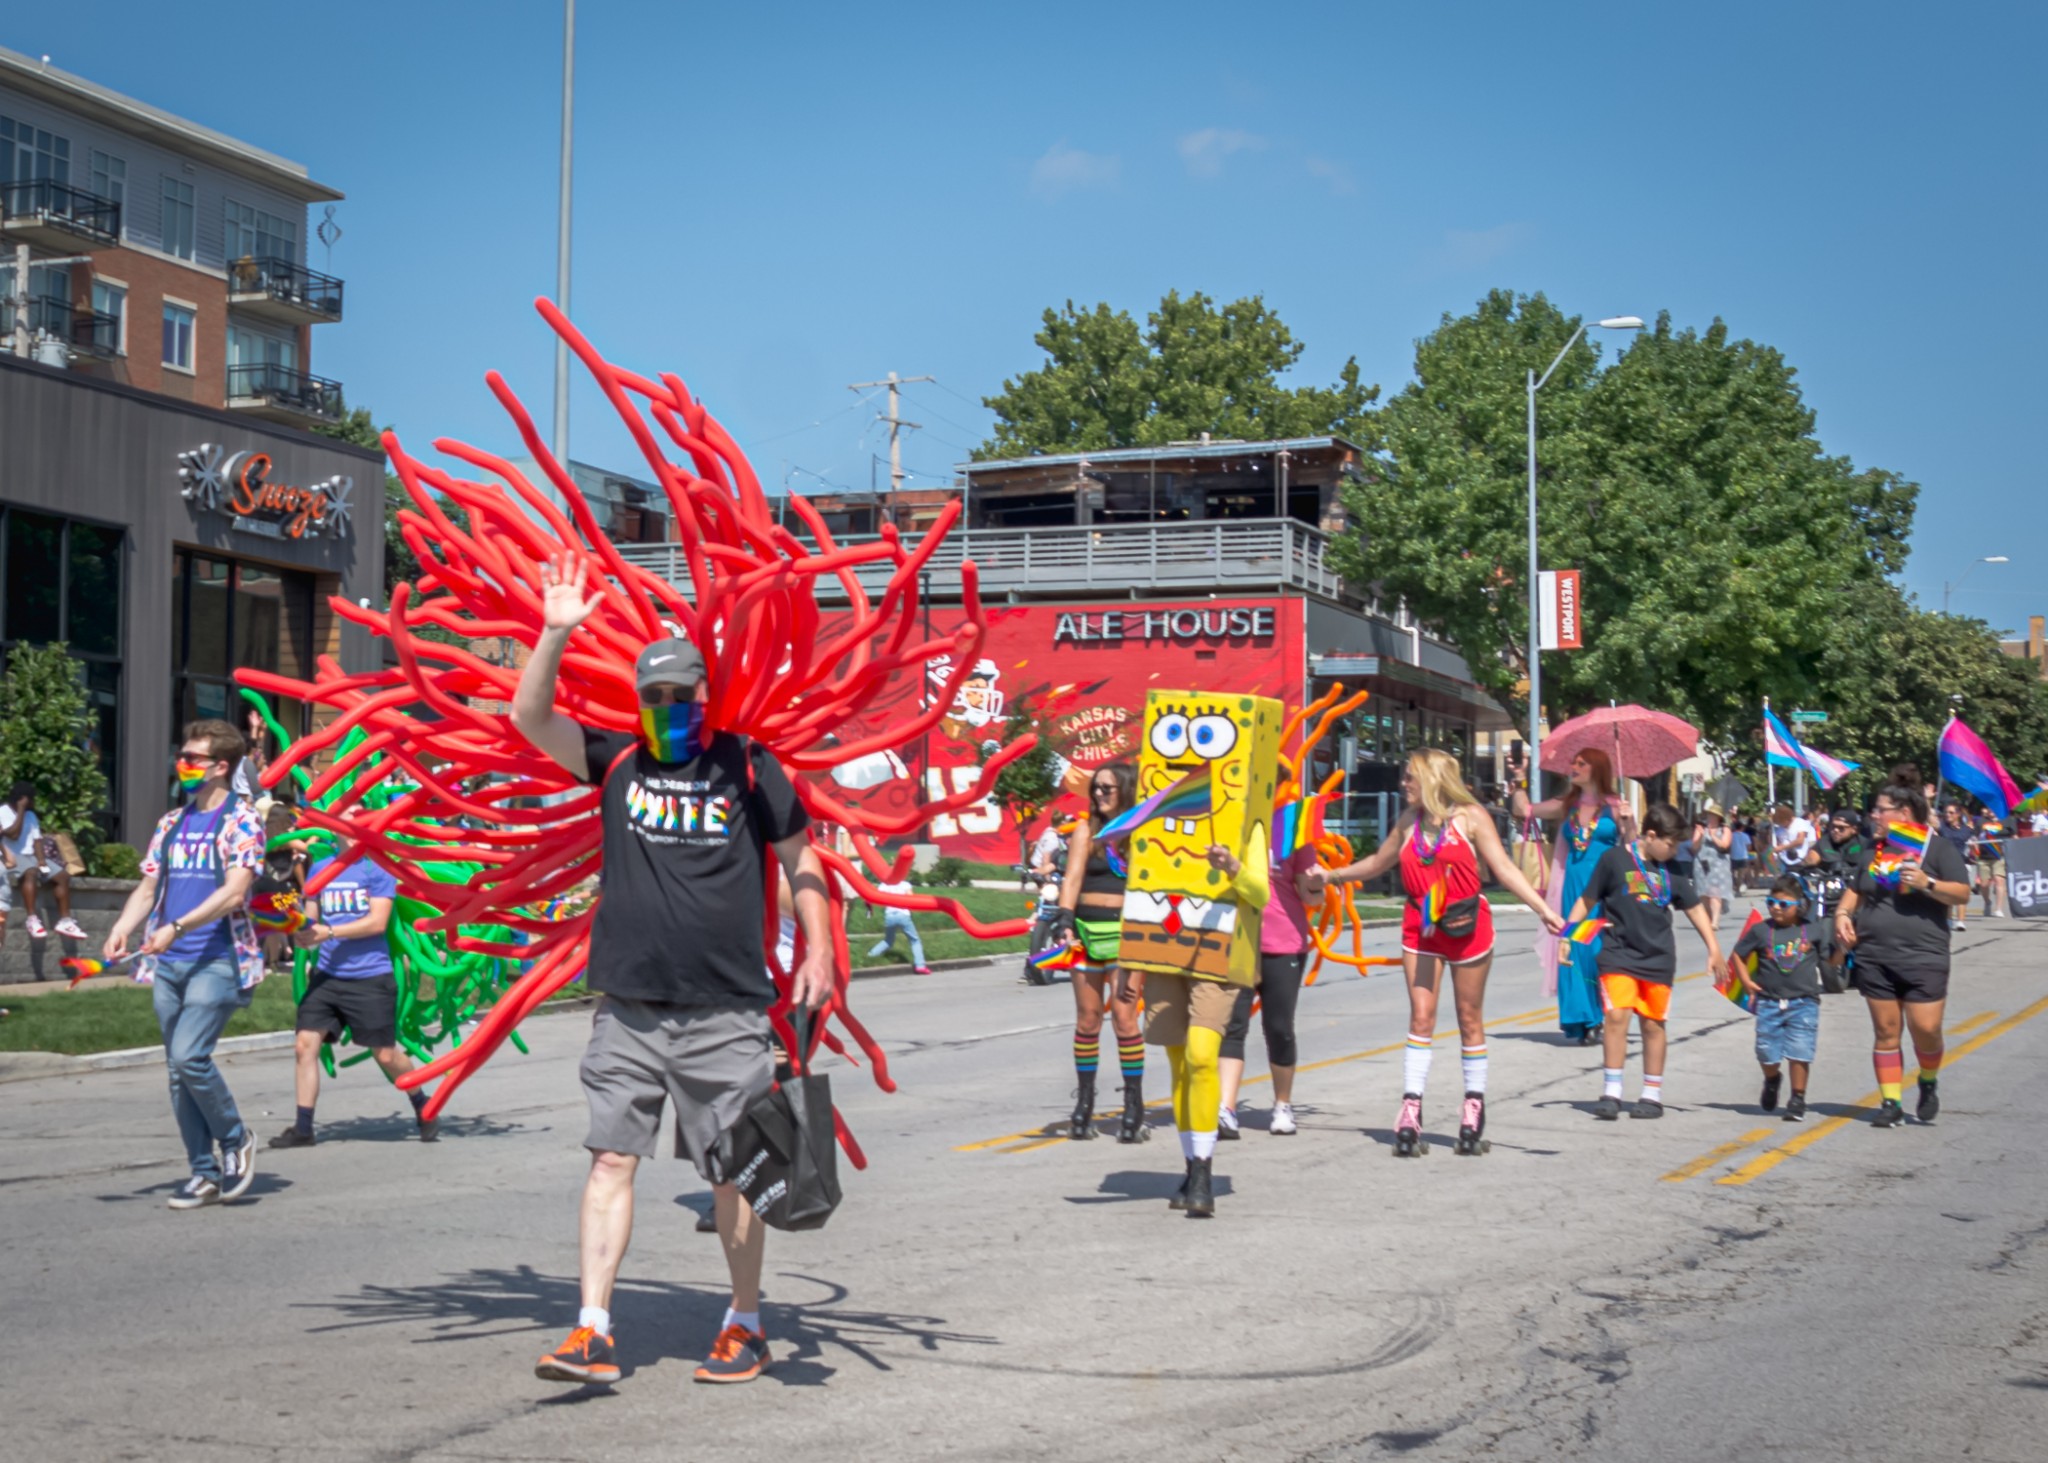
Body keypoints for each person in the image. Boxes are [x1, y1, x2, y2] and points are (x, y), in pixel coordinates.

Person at [516, 555, 832, 1388]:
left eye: (681, 696)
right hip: (628, 1005)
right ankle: (591, 1328)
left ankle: (745, 1322)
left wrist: (822, 949)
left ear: (703, 696)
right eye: (654, 697)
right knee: (610, 1159)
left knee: (735, 1171)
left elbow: (803, 862)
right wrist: (554, 632)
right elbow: (530, 715)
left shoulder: (749, 764)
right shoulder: (615, 762)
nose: (668, 710)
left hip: (728, 1008)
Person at [1317, 749, 1564, 1154]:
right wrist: (1331, 875)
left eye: (1410, 776)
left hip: (1467, 925)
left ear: (1432, 778)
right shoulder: (1409, 822)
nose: (1403, 783)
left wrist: (1544, 911)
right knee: (1421, 1015)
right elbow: (1379, 862)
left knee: (1469, 1017)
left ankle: (1473, 1107)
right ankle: (1411, 1109)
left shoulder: (1470, 817)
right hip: (1421, 926)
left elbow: (1503, 868)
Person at [104, 722, 268, 1209]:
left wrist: (177, 926)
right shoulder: (170, 823)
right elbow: (149, 888)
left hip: (217, 960)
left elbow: (235, 892)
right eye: (182, 755)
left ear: (221, 767)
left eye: (194, 757)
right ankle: (204, 1173)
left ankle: (235, 1138)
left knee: (189, 1057)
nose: (184, 764)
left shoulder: (243, 821)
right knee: (177, 1071)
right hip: (168, 965)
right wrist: (123, 927)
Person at [1562, 801, 1726, 1120]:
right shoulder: (1613, 860)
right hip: (1618, 954)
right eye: (1670, 843)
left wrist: (1713, 946)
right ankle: (1612, 1091)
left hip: (1658, 959)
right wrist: (1568, 935)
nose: (1674, 849)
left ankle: (1652, 1095)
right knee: (1616, 1017)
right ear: (1651, 836)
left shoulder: (1672, 870)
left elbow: (1693, 908)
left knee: (1653, 1026)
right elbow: (1587, 899)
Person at [269, 849, 440, 1147]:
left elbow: (377, 923)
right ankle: (303, 1128)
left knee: (385, 1055)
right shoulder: (321, 868)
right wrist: (302, 930)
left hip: (371, 977)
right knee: (304, 1046)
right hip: (328, 976)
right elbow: (311, 920)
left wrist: (330, 932)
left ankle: (422, 1103)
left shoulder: (377, 869)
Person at [1836, 783, 1970, 1128]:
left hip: (1924, 954)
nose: (1874, 815)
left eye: (1881, 809)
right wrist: (1842, 916)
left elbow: (1962, 894)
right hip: (1874, 954)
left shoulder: (1935, 849)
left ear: (1904, 814)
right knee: (1886, 1031)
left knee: (1926, 1029)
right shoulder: (1872, 850)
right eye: (1875, 809)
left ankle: (1927, 1080)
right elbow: (1855, 889)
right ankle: (1891, 1102)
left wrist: (1928, 883)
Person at [1509, 745, 1634, 1044]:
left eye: (1581, 763)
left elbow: (1632, 845)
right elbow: (1523, 810)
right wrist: (1520, 777)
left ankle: (1601, 1014)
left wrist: (1629, 822)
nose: (1574, 767)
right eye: (1574, 762)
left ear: (1596, 768)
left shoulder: (1615, 805)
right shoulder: (1568, 804)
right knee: (1573, 952)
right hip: (1572, 889)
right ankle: (1582, 1019)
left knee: (1596, 953)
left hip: (1605, 889)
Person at [1215, 811, 1324, 1139]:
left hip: (1283, 941)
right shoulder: (1228, 820)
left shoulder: (1293, 828)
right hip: (1237, 940)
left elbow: (1310, 896)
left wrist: (1317, 884)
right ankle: (1226, 1108)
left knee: (1278, 1027)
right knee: (1232, 1025)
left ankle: (1282, 1105)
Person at [1054, 762, 1148, 1144]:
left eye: (1107, 788)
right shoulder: (1085, 830)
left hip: (1127, 935)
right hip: (1086, 933)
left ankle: (1133, 1106)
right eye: (1096, 788)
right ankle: (1085, 1103)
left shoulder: (1139, 832)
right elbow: (1072, 877)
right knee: (1088, 1019)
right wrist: (1065, 920)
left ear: (1124, 790)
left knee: (1125, 1019)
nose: (1099, 794)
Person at [1731, 875, 1836, 1122]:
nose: (1776, 908)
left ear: (1800, 905)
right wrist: (1745, 980)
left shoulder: (1814, 931)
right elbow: (1738, 954)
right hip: (1769, 1002)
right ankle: (1772, 1078)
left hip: (1804, 1002)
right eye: (1771, 903)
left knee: (1800, 1051)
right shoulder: (1760, 930)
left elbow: (1831, 961)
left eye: (1783, 904)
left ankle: (1797, 1098)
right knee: (1766, 1052)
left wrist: (1842, 950)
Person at [0, 783, 89, 943]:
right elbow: (13, 835)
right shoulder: (3, 812)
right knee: (31, 872)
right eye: (30, 799)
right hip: (10, 856)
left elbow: (37, 840)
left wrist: (42, 861)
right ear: (21, 799)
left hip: (30, 856)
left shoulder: (31, 816)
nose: (33, 802)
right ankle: (32, 919)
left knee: (62, 876)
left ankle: (65, 921)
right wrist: (20, 810)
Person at [252, 800, 308, 970]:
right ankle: (301, 956)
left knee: (270, 926)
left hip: (261, 885)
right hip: (280, 888)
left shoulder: (263, 835)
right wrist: (315, 835)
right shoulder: (286, 839)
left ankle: (272, 962)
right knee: (298, 921)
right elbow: (307, 849)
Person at [1809, 806, 1870, 923]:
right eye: (1833, 826)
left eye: (1841, 828)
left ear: (1854, 829)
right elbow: (1813, 856)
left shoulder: (1864, 844)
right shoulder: (1824, 842)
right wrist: (1809, 860)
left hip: (1856, 892)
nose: (1835, 830)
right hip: (1828, 891)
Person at [865, 878, 931, 974]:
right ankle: (920, 966)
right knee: (914, 940)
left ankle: (871, 955)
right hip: (903, 915)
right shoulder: (905, 884)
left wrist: (869, 909)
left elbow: (871, 897)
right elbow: (911, 899)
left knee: (888, 940)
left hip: (889, 916)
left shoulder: (884, 885)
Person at [1689, 804, 1735, 927]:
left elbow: (1724, 845)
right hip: (1702, 863)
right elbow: (1694, 847)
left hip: (1718, 864)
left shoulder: (1725, 829)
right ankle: (1708, 919)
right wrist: (1701, 835)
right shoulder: (1700, 829)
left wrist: (1713, 835)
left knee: (1715, 893)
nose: (1710, 817)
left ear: (1719, 817)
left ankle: (1715, 921)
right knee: (1703, 894)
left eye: (1713, 815)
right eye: (1709, 814)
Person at [1934, 802, 1977, 931]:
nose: (1948, 815)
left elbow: (1974, 844)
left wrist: (1974, 848)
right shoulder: (1942, 828)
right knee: (1948, 892)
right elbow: (1930, 821)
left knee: (1961, 891)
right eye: (1946, 812)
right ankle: (1948, 920)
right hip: (1944, 862)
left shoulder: (1967, 829)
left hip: (1961, 863)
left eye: (1951, 812)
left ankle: (1961, 921)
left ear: (1958, 814)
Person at [1974, 817, 2009, 918]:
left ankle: (1999, 909)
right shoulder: (1981, 821)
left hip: (1998, 857)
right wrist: (1975, 852)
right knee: (1984, 885)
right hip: (1983, 858)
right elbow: (1975, 838)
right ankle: (1987, 902)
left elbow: (2011, 835)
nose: (1992, 812)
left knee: (1999, 880)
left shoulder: (2004, 822)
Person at [1771, 804, 1817, 876]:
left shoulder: (1800, 823)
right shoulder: (1780, 829)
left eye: (1781, 822)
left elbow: (1800, 840)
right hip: (1784, 860)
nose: (1781, 825)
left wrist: (1782, 847)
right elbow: (1777, 843)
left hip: (1799, 859)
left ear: (1787, 819)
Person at [1728, 818, 1754, 895]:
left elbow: (1728, 845)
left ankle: (1733, 885)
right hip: (1743, 856)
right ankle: (1738, 890)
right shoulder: (1745, 836)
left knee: (1732, 873)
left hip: (1733, 856)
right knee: (1740, 874)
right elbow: (1749, 847)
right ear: (1742, 827)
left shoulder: (1731, 835)